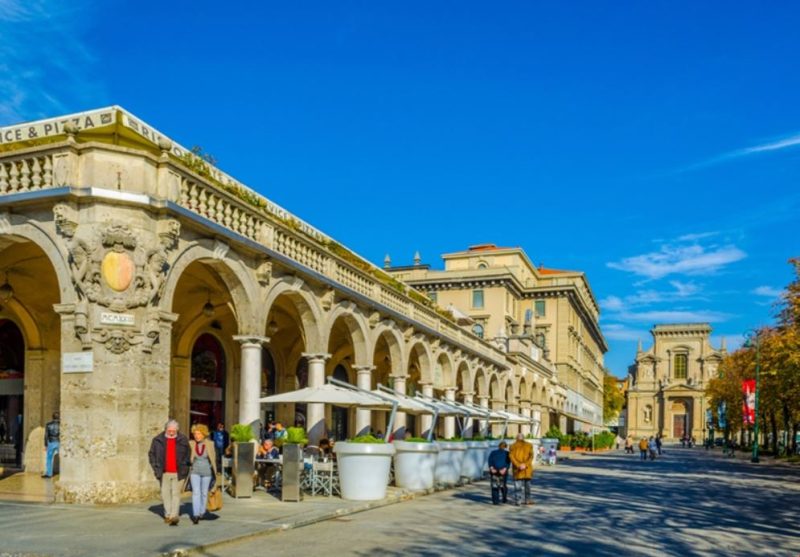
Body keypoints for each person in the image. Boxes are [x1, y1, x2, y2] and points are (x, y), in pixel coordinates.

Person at [148, 419, 191, 526]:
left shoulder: (183, 439)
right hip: (164, 472)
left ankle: (173, 515)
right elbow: (151, 454)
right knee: (165, 494)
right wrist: (155, 466)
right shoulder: (157, 440)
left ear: (177, 430)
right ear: (166, 429)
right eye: (169, 430)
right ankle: (167, 514)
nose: (171, 432)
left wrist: (185, 466)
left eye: (173, 430)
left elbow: (188, 454)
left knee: (176, 494)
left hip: (178, 472)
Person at [188, 424, 217, 524]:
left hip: (206, 472)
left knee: (204, 493)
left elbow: (213, 459)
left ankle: (202, 512)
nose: (196, 436)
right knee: (196, 492)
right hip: (194, 471)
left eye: (199, 434)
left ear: (203, 434)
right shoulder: (191, 443)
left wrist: (215, 472)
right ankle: (195, 514)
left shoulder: (210, 444)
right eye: (195, 434)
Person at [509, 433, 534, 506]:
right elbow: (531, 456)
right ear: (523, 438)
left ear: (516, 438)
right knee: (528, 486)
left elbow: (511, 457)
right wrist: (525, 464)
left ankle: (518, 501)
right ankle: (527, 500)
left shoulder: (512, 446)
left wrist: (518, 465)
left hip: (517, 469)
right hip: (527, 469)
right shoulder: (529, 445)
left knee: (518, 486)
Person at [42, 412, 60, 478]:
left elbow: (46, 435)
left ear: (52, 417)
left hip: (51, 442)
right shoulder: (61, 424)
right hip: (59, 442)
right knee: (62, 458)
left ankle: (49, 473)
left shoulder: (48, 425)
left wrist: (45, 444)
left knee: (49, 458)